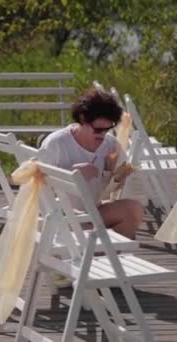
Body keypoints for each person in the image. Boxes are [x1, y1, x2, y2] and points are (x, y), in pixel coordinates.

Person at [37, 88, 142, 240]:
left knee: (134, 210)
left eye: (107, 129)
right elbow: (37, 188)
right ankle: (102, 255)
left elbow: (121, 182)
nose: (102, 135)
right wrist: (72, 175)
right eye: (98, 130)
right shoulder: (56, 143)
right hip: (59, 217)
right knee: (125, 216)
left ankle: (106, 255)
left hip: (91, 213)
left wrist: (118, 178)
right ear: (82, 119)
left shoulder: (110, 145)